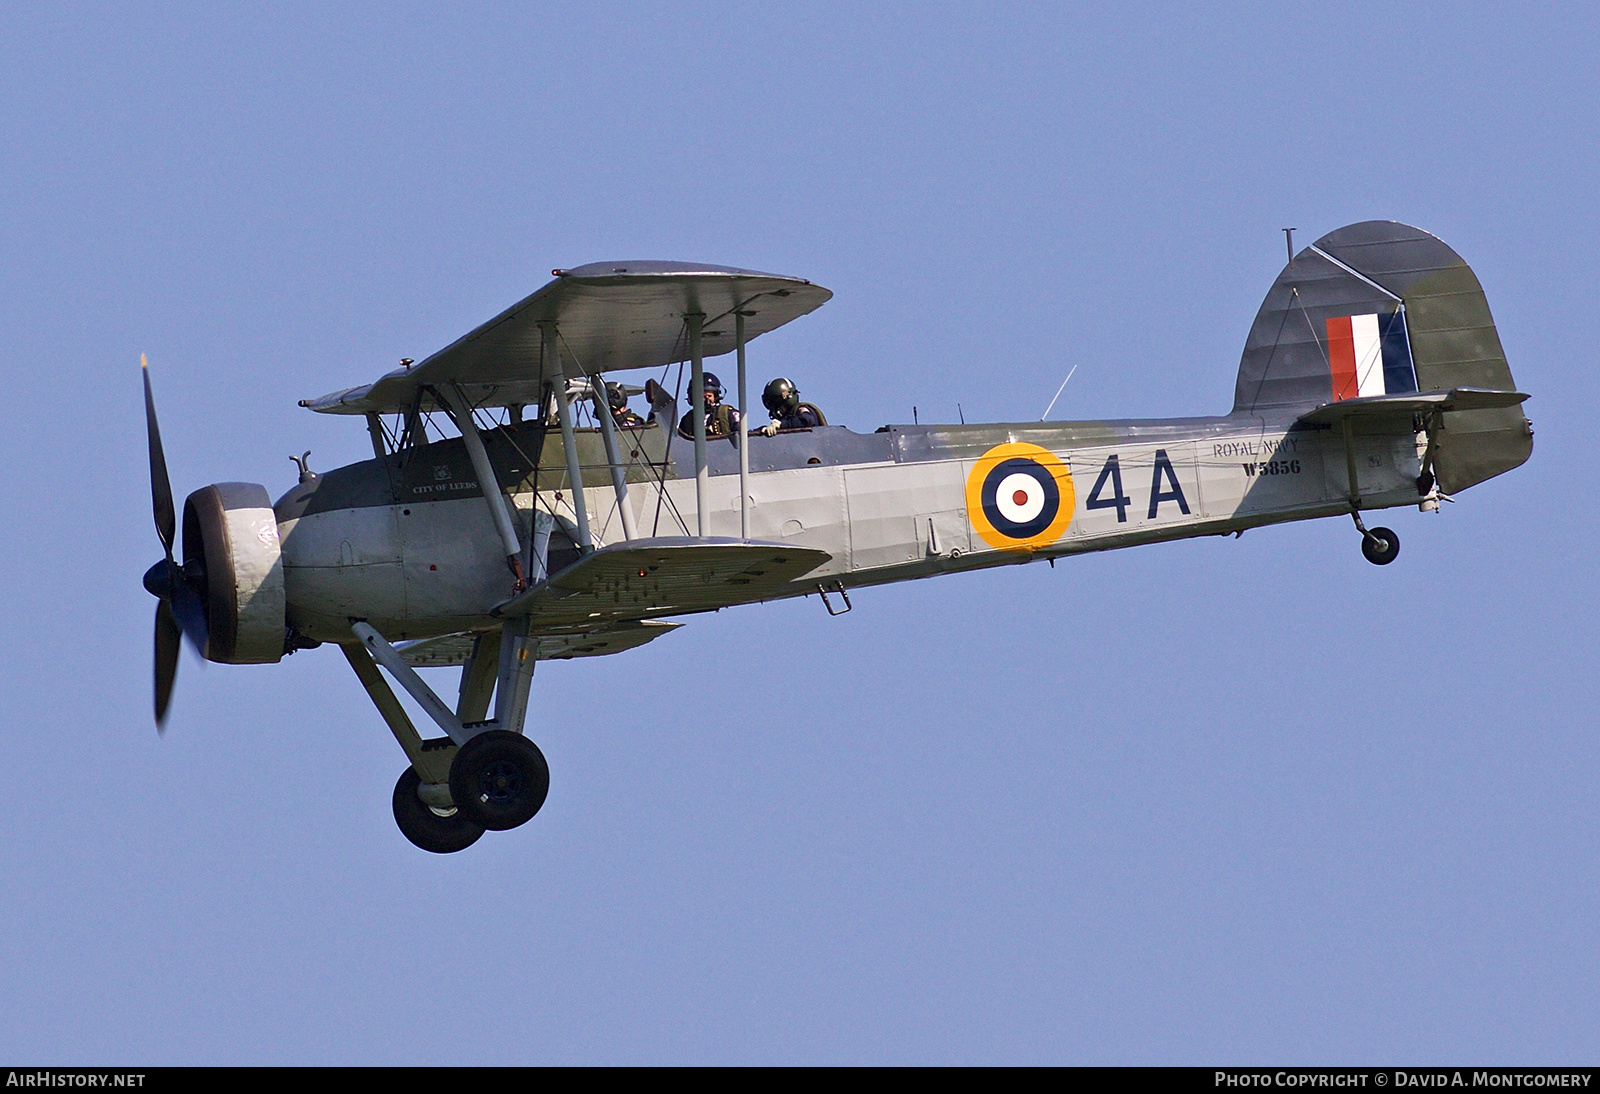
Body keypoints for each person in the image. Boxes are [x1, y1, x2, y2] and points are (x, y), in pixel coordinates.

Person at [678, 372, 741, 439]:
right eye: (702, 397)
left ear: (715, 396)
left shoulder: (728, 413)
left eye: (709, 396)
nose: (706, 400)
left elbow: (740, 437)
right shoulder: (687, 420)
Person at [757, 377, 827, 436]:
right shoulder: (787, 420)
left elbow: (807, 420)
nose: (777, 409)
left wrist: (781, 425)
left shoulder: (801, 409)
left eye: (779, 404)